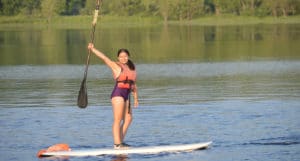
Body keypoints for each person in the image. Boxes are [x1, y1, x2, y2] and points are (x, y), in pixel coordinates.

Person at [88, 43, 139, 149]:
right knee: (118, 119)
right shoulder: (115, 66)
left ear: (128, 56)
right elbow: (104, 58)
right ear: (118, 58)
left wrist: (136, 99)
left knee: (128, 118)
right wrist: (93, 49)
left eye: (125, 56)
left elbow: (133, 84)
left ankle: (120, 141)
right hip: (118, 94)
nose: (123, 58)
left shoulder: (131, 67)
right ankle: (117, 144)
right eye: (121, 56)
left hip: (127, 95)